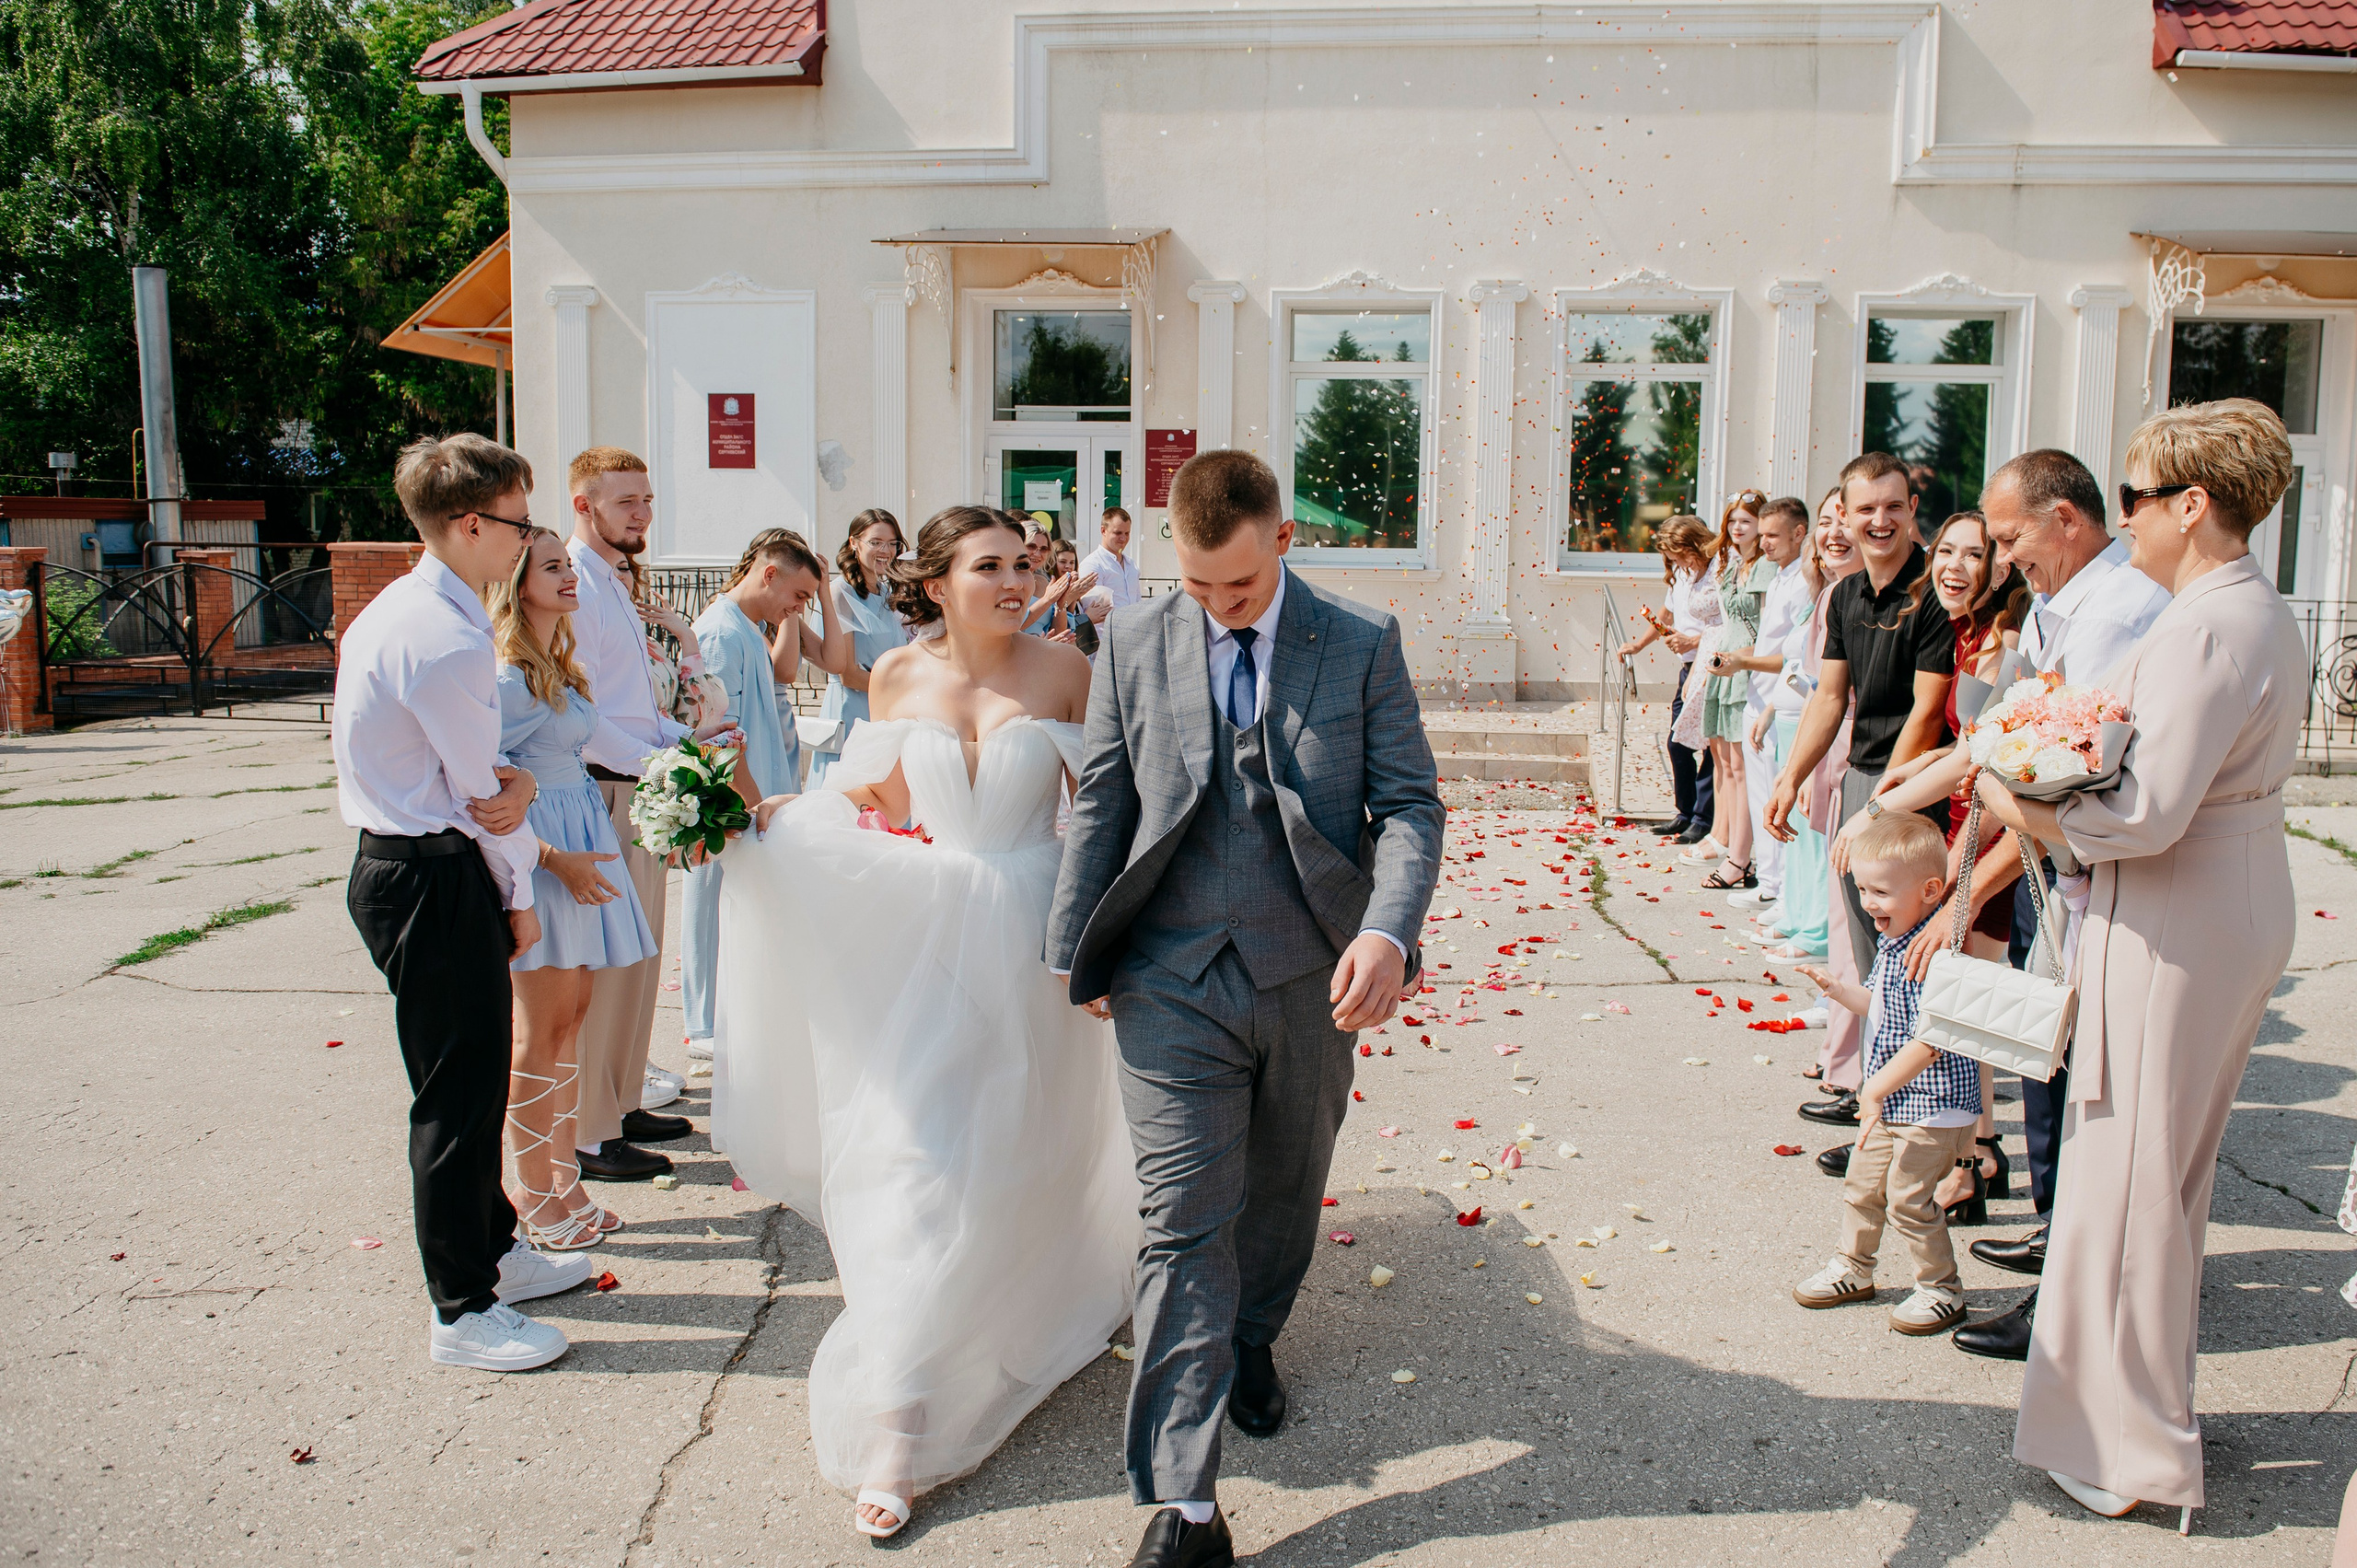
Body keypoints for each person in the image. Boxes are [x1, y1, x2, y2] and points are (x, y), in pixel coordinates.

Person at [1046, 448, 1445, 1568]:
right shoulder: (1132, 637)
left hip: (1313, 970)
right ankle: (1184, 1504)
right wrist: (1074, 953)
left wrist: (1386, 928)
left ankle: (1254, 1335)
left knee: (1282, 1186)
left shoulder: (1359, 640)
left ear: (1280, 540)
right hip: (1170, 974)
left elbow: (1410, 803)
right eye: (1196, 583)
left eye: (1237, 585)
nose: (1216, 607)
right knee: (1180, 1221)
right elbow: (1106, 800)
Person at [716, 506, 1138, 1540]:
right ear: (936, 581)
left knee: (1010, 1155)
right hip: (929, 940)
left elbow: (1112, 809)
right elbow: (858, 793)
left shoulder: (1067, 670)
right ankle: (898, 1424)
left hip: (1037, 942)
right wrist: (770, 820)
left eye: (1025, 564)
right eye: (989, 565)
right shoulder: (896, 675)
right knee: (916, 1163)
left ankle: (1007, 1310)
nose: (1014, 579)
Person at [1972, 400, 2305, 1522]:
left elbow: (2147, 808)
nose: (2127, 521)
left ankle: (2132, 1446)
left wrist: (2019, 789)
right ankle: (2128, 1415)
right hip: (2223, 892)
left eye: (2134, 498)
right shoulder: (2249, 607)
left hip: (2179, 905)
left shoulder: (2204, 623)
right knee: (2161, 1174)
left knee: (2132, 1177)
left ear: (2189, 505)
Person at [332, 432, 592, 1372]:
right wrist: (522, 885)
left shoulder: (414, 606)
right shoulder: (441, 635)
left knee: (473, 1078)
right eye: (522, 525)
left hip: (424, 861)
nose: (528, 542)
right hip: (430, 872)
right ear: (473, 522)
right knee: (457, 1093)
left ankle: (496, 1251)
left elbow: (486, 779)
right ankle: (462, 1305)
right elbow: (485, 791)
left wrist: (513, 786)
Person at [1949, 448, 2171, 1363]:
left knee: (2077, 1083)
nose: (2002, 561)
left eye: (2009, 539)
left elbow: (2077, 763)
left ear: (2065, 520)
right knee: (2051, 1070)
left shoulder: (2116, 612)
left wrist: (1997, 811)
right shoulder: (2067, 601)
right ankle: (2055, 1241)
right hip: (2059, 866)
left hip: (2085, 866)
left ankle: (2064, 1296)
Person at [493, 528, 722, 1249]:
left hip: (586, 835)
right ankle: (531, 1195)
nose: (571, 577)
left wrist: (676, 758)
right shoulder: (503, 676)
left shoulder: (558, 662)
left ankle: (564, 1178)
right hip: (548, 853)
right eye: (553, 567)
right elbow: (484, 783)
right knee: (539, 1033)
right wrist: (551, 857)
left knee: (571, 1026)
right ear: (515, 579)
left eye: (569, 564)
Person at [1824, 510, 2032, 1208]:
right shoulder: (1968, 633)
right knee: (1953, 995)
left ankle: (1970, 1159)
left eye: (1974, 555)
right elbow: (1961, 749)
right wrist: (1897, 788)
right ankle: (1974, 1150)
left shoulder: (2002, 646)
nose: (1954, 566)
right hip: (1958, 829)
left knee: (1960, 999)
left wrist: (1883, 807)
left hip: (1989, 839)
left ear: (1999, 566)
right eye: (1946, 551)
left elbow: (1986, 761)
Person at [1766, 453, 1956, 1131]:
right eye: (1865, 508)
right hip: (1859, 778)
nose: (1880, 520)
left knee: (1904, 954)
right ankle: (1874, 1091)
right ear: (1842, 514)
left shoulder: (1931, 592)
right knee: (1868, 947)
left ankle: (1905, 1110)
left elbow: (1929, 712)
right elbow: (1828, 696)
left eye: (1893, 507)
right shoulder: (1844, 596)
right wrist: (1791, 775)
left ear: (1911, 511)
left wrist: (1882, 807)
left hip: (1912, 786)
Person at [1788, 809, 1984, 1335]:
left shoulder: (1939, 954)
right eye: (1863, 891)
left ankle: (1941, 1288)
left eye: (1879, 892)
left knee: (1909, 1200)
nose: (1868, 903)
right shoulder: (1896, 942)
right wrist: (1838, 991)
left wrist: (1872, 1088)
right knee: (1862, 1185)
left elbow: (1933, 1040)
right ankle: (1854, 1268)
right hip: (1892, 1101)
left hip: (1932, 1106)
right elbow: (1878, 1004)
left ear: (1930, 890)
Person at [561, 448, 693, 1182]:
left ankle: (622, 1096)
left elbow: (632, 703)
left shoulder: (617, 579)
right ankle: (589, 1129)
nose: (641, 513)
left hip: (638, 782)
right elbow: (577, 709)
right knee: (607, 963)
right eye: (625, 502)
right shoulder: (575, 581)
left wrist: (683, 742)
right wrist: (659, 762)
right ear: (583, 505)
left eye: (646, 499)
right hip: (603, 788)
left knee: (640, 956)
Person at [681, 529, 839, 1064]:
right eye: (797, 597)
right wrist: (746, 805)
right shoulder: (722, 633)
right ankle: (704, 1021)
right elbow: (719, 733)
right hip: (731, 802)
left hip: (754, 794)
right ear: (768, 575)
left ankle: (723, 1013)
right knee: (712, 903)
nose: (798, 609)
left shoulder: (746, 626)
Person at [1709, 494, 1809, 914]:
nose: (1764, 543)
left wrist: (1743, 661)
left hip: (1782, 699)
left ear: (1799, 533)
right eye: (1762, 535)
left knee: (1775, 798)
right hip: (1759, 697)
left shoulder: (1803, 579)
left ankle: (1783, 890)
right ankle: (1768, 882)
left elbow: (1793, 652)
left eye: (1772, 535)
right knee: (1757, 794)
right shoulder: (1780, 575)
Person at [1690, 489, 1775, 887]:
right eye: (1732, 521)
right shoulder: (1731, 566)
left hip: (1749, 664)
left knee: (1744, 768)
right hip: (1725, 661)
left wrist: (1744, 659)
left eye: (1745, 520)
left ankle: (1742, 858)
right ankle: (1727, 843)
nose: (1737, 527)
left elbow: (1764, 625)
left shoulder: (1764, 569)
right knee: (1726, 764)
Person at [1615, 516, 1716, 843]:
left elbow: (1728, 626)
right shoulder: (1684, 572)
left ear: (1694, 544)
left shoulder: (1718, 570)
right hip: (1688, 668)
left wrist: (1693, 641)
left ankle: (1704, 817)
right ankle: (1685, 812)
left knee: (1712, 749)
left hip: (1713, 665)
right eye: (1670, 556)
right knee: (1678, 744)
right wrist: (1640, 644)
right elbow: (1667, 613)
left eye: (1677, 553)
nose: (1673, 561)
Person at [807, 508, 911, 788]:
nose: (885, 551)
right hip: (852, 712)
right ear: (854, 543)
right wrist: (909, 689)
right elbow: (849, 674)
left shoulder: (888, 592)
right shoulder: (840, 592)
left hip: (886, 710)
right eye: (876, 542)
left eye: (892, 543)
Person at [1081, 505, 1144, 613]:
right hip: (1106, 629)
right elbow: (1094, 610)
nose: (1123, 538)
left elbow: (1138, 602)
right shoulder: (1093, 564)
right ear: (1103, 531)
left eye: (1127, 533)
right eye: (1118, 533)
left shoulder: (1131, 565)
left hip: (1131, 628)